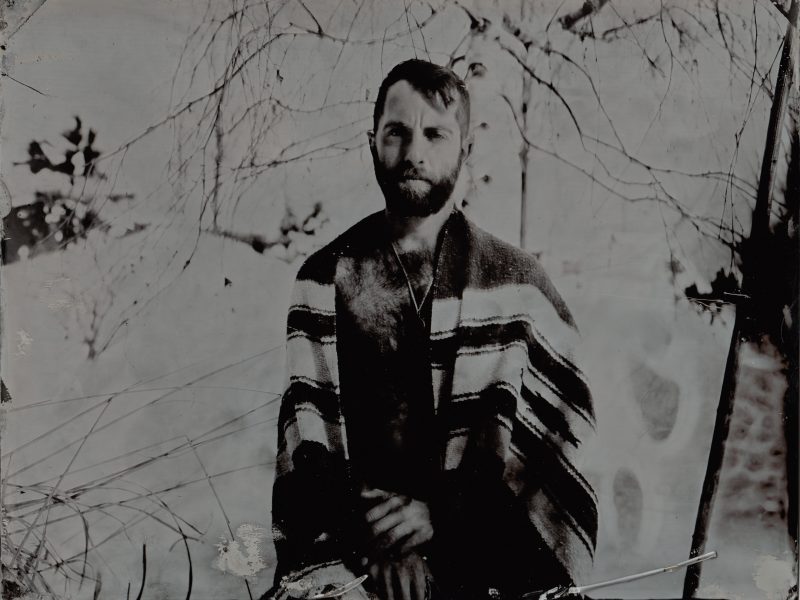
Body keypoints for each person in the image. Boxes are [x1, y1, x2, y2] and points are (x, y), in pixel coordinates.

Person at [270, 59, 597, 600]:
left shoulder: (517, 287)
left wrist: (440, 518)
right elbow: (309, 464)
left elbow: (551, 463)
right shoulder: (324, 280)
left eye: (435, 134)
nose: (414, 152)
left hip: (487, 560)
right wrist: (376, 547)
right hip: (355, 559)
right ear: (371, 143)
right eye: (397, 132)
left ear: (465, 151)